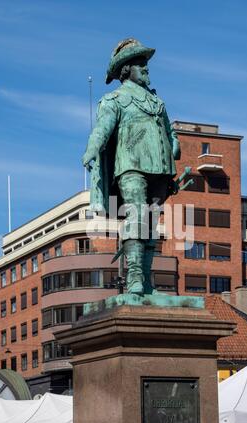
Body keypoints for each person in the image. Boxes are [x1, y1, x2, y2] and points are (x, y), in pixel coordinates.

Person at [82, 38, 180, 295]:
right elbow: (102, 129)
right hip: (130, 168)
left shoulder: (157, 103)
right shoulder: (115, 100)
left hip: (159, 169)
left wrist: (175, 143)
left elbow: (170, 130)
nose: (146, 69)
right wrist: (92, 150)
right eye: (140, 64)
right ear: (126, 69)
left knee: (150, 223)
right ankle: (135, 276)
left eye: (146, 64)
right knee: (136, 215)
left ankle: (146, 281)